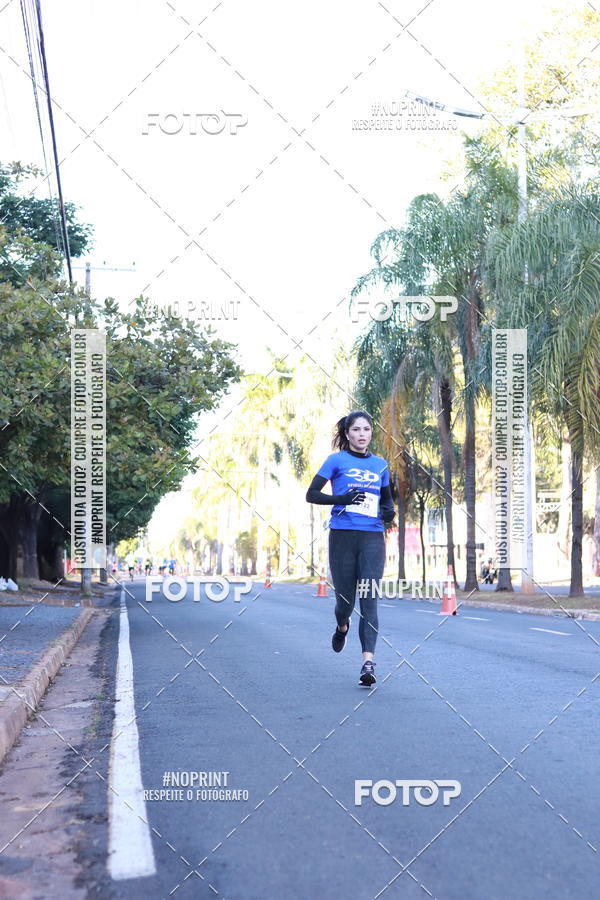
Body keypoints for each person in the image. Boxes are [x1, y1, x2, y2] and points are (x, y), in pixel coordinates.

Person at [306, 410, 395, 686]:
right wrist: (341, 499)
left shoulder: (380, 465)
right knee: (345, 602)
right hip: (342, 537)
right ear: (347, 434)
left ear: (371, 433)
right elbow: (311, 494)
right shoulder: (336, 461)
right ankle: (342, 626)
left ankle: (368, 663)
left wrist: (389, 513)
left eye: (366, 429)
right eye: (356, 430)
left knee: (369, 599)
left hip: (372, 538)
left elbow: (387, 502)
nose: (361, 434)